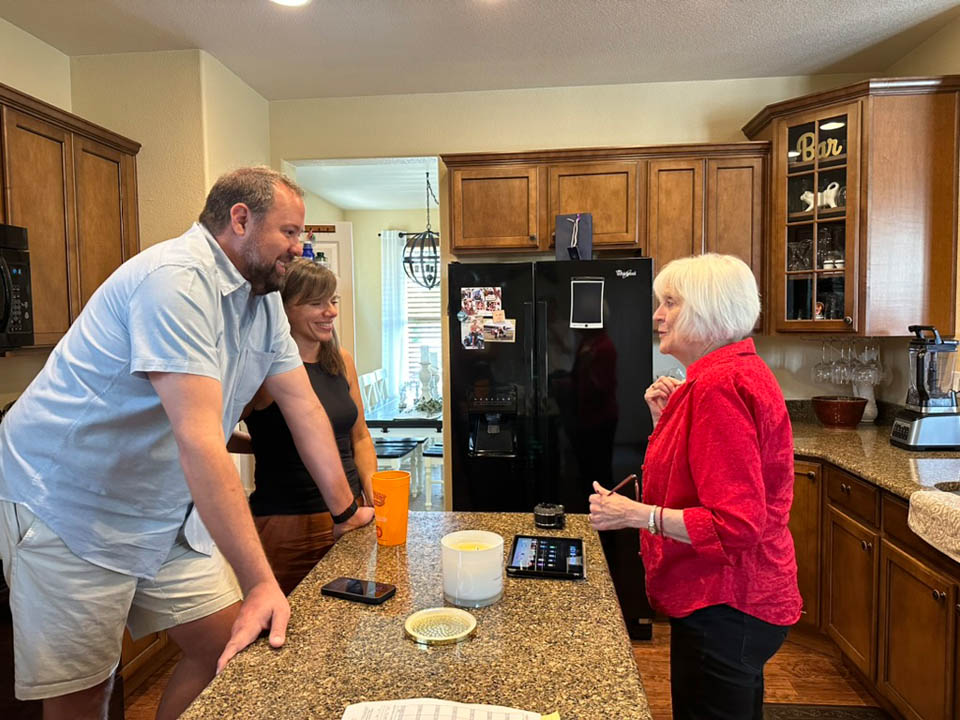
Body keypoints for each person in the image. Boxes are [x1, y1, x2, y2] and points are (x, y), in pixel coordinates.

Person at [0, 167, 373, 720]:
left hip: (162, 510)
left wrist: (346, 511)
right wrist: (262, 582)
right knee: (86, 695)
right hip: (68, 507)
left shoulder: (263, 300)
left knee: (230, 648)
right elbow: (201, 443)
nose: (301, 248)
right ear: (240, 219)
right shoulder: (174, 279)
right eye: (290, 233)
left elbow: (305, 410)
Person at [588, 253, 801, 720]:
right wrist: (665, 421)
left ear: (709, 310)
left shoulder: (718, 387)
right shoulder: (720, 376)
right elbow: (695, 478)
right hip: (730, 598)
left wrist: (633, 514)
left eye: (671, 303)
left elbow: (735, 526)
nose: (658, 316)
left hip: (727, 600)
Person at [229, 259, 377, 595]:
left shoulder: (341, 361)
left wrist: (370, 497)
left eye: (332, 301)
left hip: (349, 514)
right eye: (315, 303)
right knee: (291, 630)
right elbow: (213, 434)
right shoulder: (262, 371)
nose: (331, 312)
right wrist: (261, 444)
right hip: (288, 524)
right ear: (282, 310)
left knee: (344, 623)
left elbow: (361, 437)